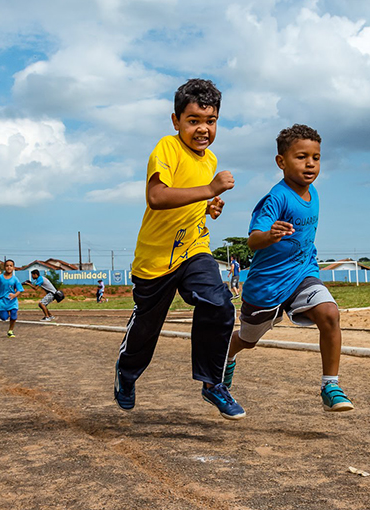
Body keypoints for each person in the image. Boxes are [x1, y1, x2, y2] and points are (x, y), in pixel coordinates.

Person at [113, 78, 244, 419]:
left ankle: (212, 383)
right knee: (146, 330)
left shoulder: (210, 159)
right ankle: (126, 374)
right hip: (155, 260)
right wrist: (209, 190)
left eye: (210, 121)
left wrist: (208, 207)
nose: (203, 129)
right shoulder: (167, 149)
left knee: (219, 304)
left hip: (193, 249)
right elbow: (156, 197)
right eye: (193, 121)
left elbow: (196, 196)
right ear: (176, 122)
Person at [226, 124, 354, 414]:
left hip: (302, 274)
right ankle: (228, 355)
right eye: (301, 157)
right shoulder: (277, 198)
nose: (310, 164)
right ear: (281, 162)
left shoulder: (315, 194)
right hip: (266, 285)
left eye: (316, 157)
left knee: (329, 314)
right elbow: (253, 240)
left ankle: (330, 385)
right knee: (248, 340)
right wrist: (270, 235)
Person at [0, 259, 23, 338]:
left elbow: (19, 289)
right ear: (4, 267)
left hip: (12, 301)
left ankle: (10, 331)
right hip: (1, 301)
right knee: (4, 317)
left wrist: (15, 295)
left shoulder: (15, 279)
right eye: (7, 266)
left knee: (14, 315)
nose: (9, 267)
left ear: (13, 267)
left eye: (11, 266)